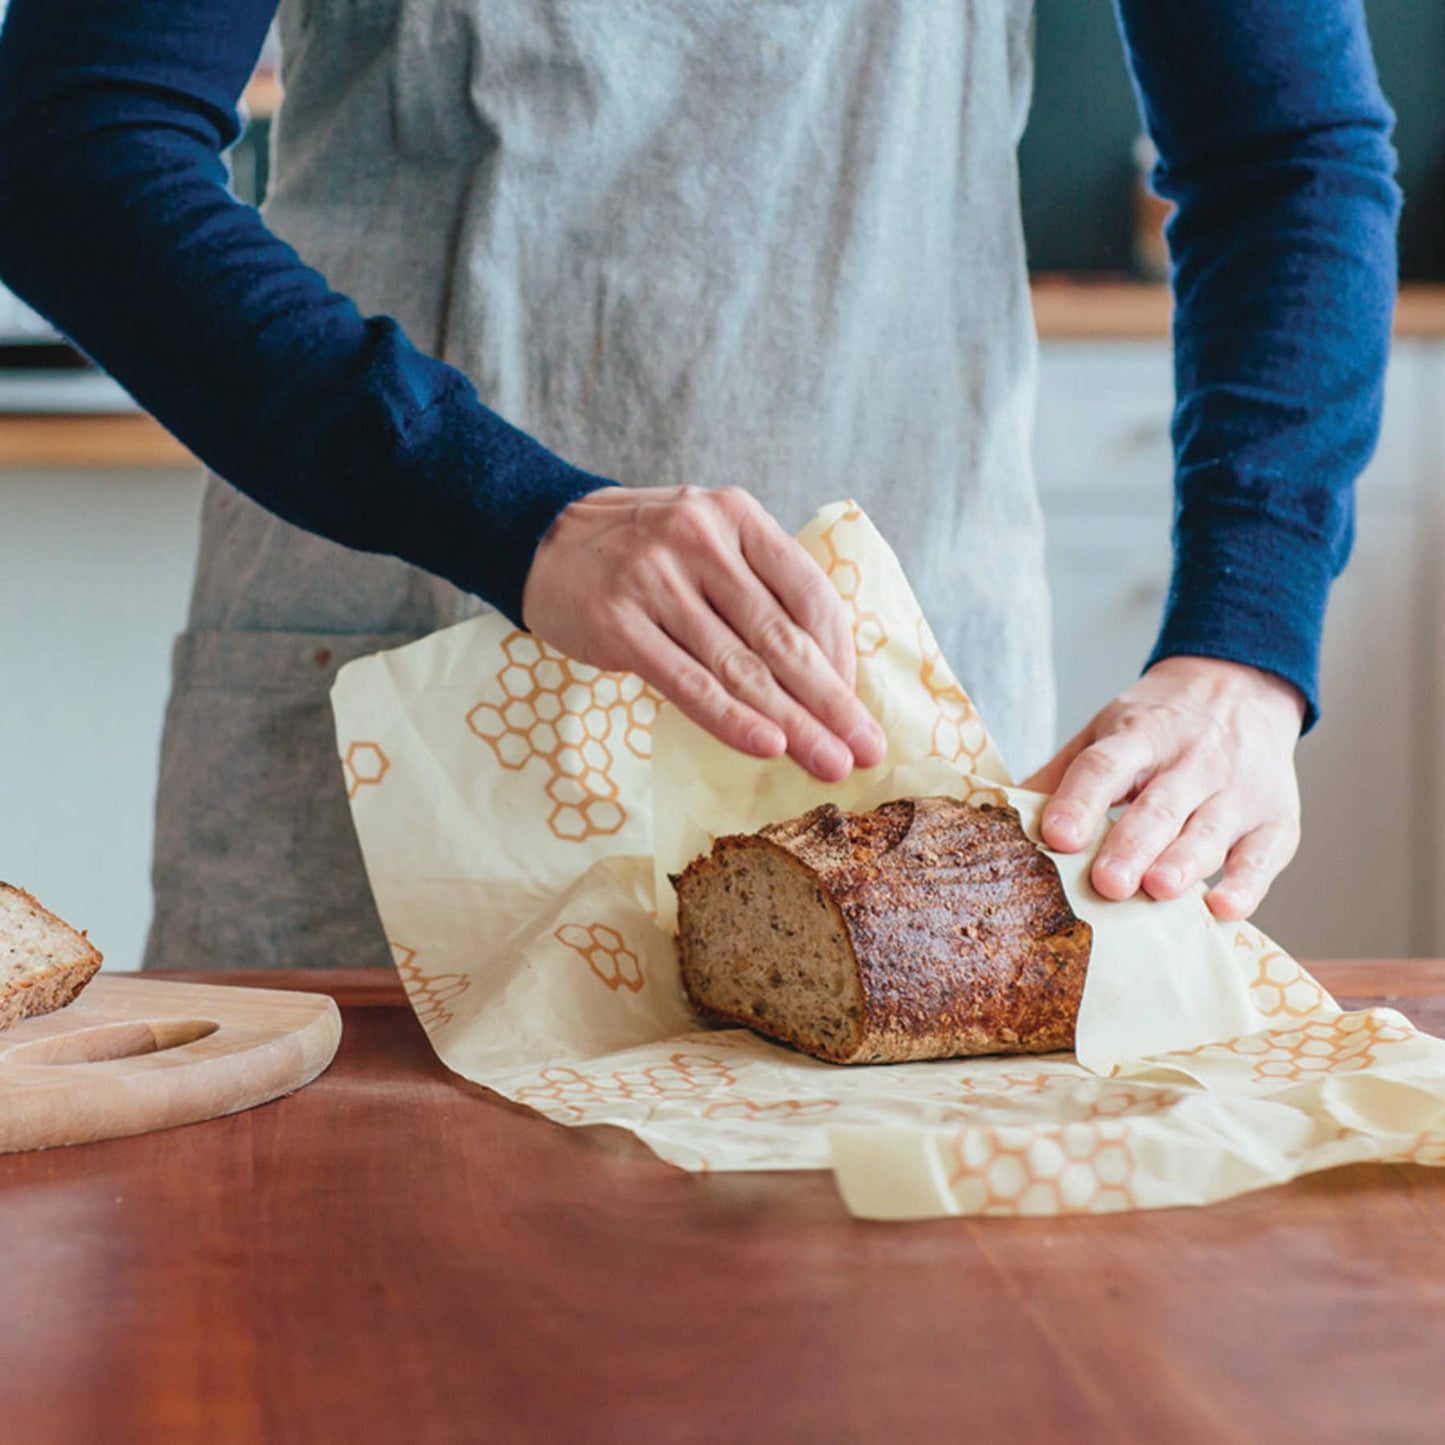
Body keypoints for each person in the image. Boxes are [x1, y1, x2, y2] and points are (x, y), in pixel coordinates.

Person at [0, 1, 1398, 971]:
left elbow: (1286, 154)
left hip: (901, 738)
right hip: (396, 692)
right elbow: (72, 145)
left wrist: (1242, 643)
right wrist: (511, 510)